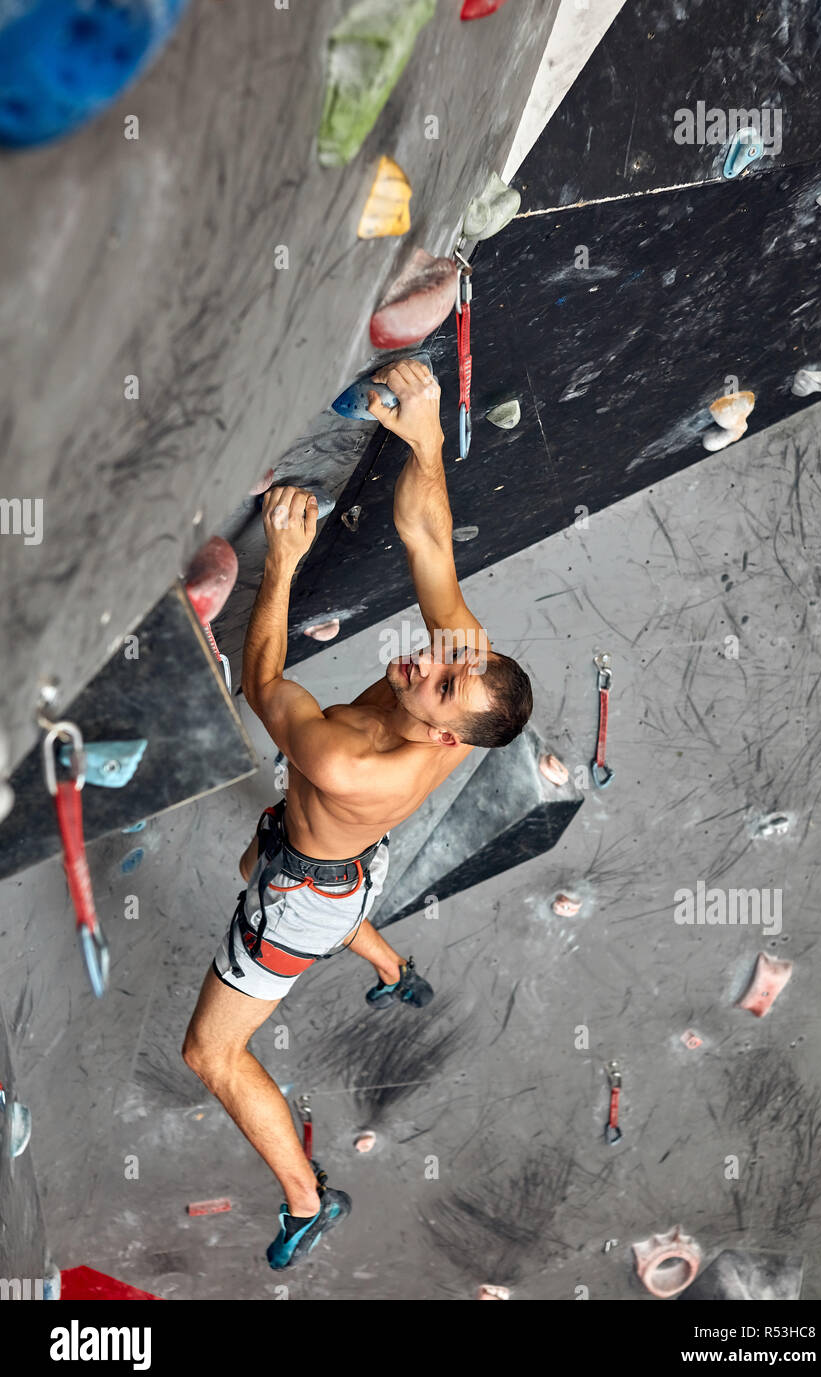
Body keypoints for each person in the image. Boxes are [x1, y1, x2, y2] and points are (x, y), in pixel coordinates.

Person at [182, 359, 533, 1269]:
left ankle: (307, 1197)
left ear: (448, 739)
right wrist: (423, 436)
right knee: (268, 869)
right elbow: (426, 538)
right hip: (342, 862)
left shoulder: (349, 762)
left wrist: (284, 562)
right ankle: (389, 962)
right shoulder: (460, 680)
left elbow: (261, 682)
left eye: (442, 681)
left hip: (307, 893)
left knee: (211, 1056)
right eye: (447, 659)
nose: (423, 661)